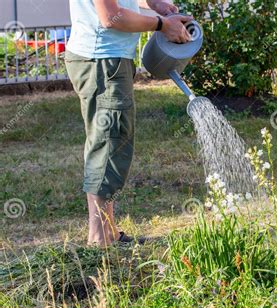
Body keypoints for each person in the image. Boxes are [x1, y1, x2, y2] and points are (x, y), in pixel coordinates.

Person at [65, 0, 192, 246]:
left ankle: (108, 232)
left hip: (107, 60)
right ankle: (100, 240)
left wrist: (154, 4)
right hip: (103, 62)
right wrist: (162, 24)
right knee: (108, 146)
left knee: (110, 143)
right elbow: (111, 17)